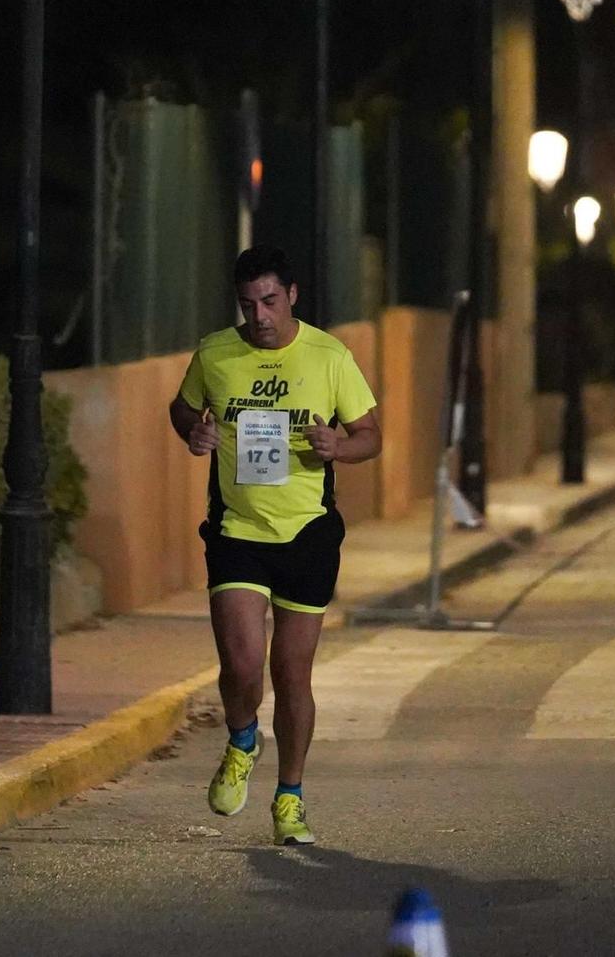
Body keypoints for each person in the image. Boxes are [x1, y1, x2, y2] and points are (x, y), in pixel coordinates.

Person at [168, 246, 379, 847]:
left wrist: (338, 446)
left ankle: (290, 798)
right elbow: (182, 408)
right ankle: (241, 739)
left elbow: (371, 435)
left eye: (268, 301)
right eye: (246, 304)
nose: (258, 316)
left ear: (292, 295)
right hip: (238, 530)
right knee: (239, 664)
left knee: (291, 672)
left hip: (307, 532)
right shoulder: (215, 352)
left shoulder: (329, 356)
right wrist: (195, 430)